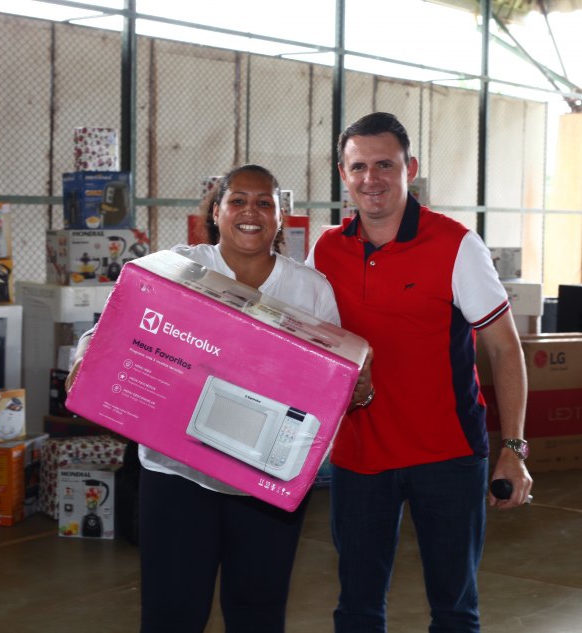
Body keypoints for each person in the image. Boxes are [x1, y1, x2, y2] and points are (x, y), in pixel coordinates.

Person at [67, 163, 371, 633]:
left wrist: (357, 389)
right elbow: (115, 320)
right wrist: (85, 356)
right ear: (216, 212)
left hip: (264, 482)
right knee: (171, 613)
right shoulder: (181, 267)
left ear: (280, 217)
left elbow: (334, 379)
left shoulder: (309, 289)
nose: (251, 212)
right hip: (177, 474)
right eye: (238, 201)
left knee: (258, 611)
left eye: (265, 203)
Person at [306, 112, 532, 633]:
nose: (372, 178)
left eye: (385, 164)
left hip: (447, 456)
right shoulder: (326, 250)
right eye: (358, 166)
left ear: (409, 168)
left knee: (454, 610)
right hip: (360, 455)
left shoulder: (456, 245)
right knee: (357, 608)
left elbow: (504, 349)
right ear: (343, 175)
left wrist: (514, 449)